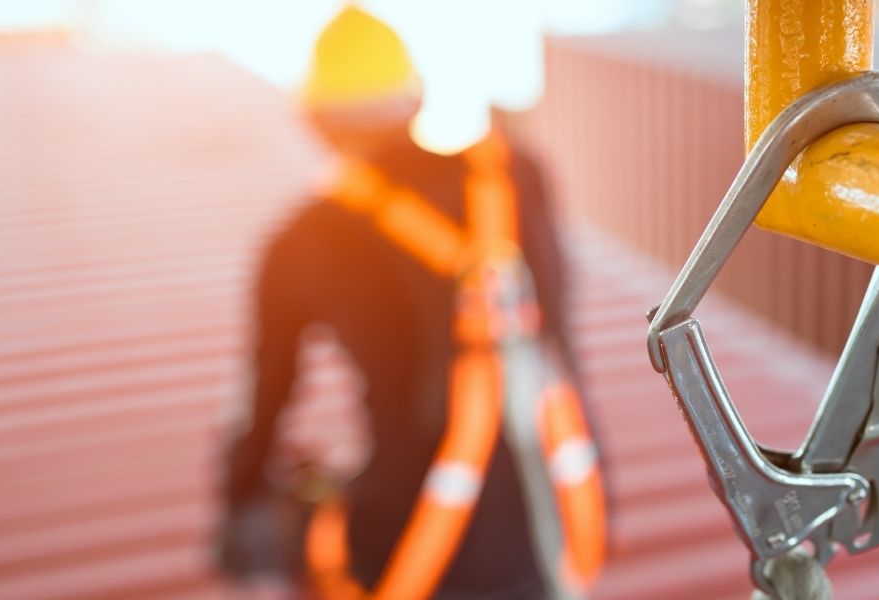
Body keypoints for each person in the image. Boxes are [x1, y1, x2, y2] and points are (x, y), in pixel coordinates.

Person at [216, 5, 606, 598]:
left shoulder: (300, 243)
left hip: (411, 543)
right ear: (415, 98)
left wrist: (239, 506)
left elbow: (264, 400)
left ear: (315, 121)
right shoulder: (513, 176)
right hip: (557, 510)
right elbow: (558, 339)